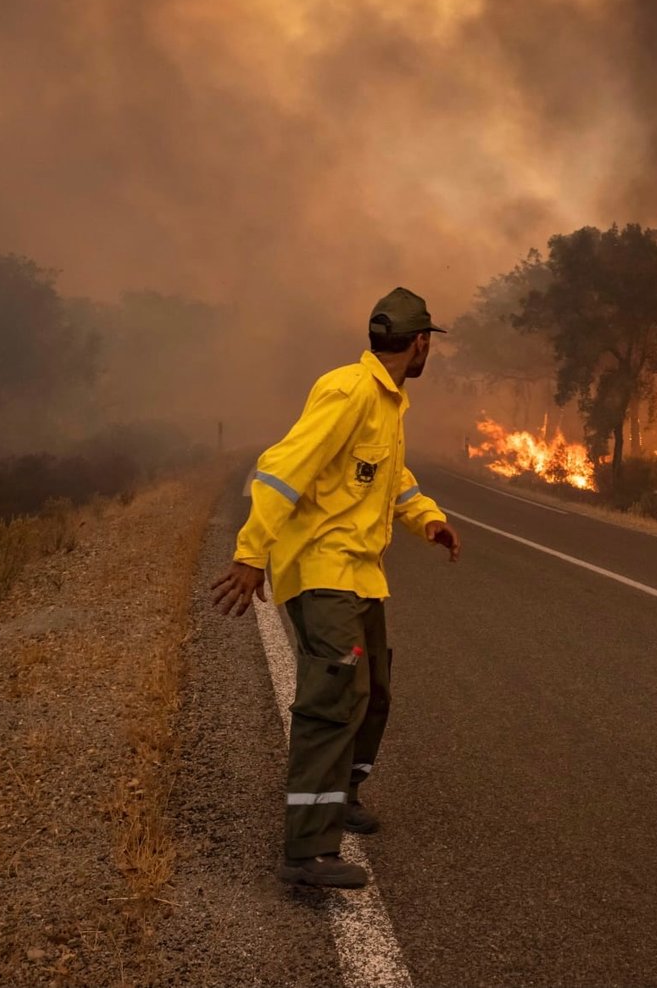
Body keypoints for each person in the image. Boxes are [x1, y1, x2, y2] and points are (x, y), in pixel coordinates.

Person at [211, 287, 463, 889]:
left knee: (372, 693)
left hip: (360, 573)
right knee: (330, 701)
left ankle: (342, 794)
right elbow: (282, 468)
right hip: (322, 570)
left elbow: (392, 477)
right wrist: (251, 555)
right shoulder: (348, 391)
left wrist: (427, 517)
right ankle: (307, 849)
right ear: (421, 342)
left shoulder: (388, 402)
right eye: (431, 340)